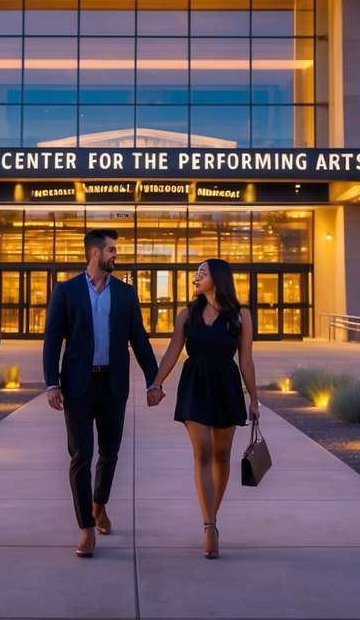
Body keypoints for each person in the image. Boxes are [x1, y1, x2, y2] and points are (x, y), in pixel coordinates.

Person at [43, 228, 162, 558]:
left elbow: (140, 339)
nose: (115, 255)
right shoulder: (66, 291)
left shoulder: (125, 293)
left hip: (114, 385)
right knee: (81, 456)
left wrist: (155, 381)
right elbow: (53, 339)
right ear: (94, 254)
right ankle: (86, 528)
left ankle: (99, 504)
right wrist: (52, 383)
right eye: (111, 250)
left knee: (109, 453)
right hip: (78, 386)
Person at [148, 258, 258, 559]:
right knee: (203, 451)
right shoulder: (187, 314)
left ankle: (213, 516)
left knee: (222, 456)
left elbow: (246, 359)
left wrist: (255, 401)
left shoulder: (241, 315)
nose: (196, 277)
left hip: (225, 385)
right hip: (194, 385)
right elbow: (173, 349)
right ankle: (209, 525)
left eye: (202, 273)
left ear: (218, 279)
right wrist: (156, 384)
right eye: (196, 273)